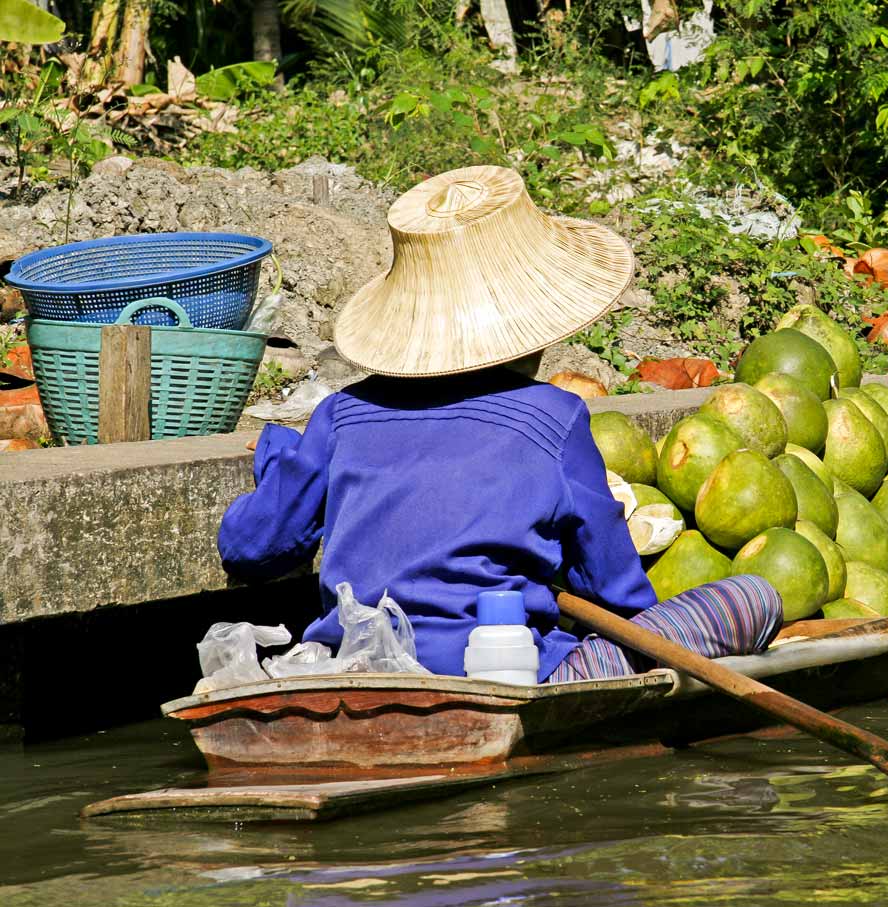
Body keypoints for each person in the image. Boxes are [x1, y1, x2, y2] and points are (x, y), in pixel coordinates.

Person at [218, 165, 783, 682]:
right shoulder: (554, 416)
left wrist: (280, 456)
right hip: (505, 673)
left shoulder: (340, 415)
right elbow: (615, 591)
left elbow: (250, 547)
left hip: (356, 668)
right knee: (753, 597)